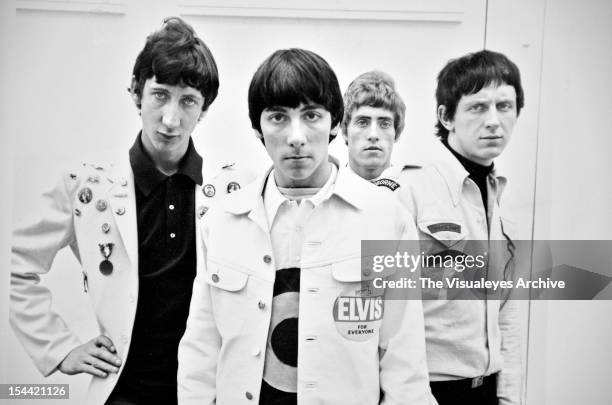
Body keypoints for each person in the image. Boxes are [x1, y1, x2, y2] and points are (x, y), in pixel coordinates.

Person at [10, 17, 253, 405]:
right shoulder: (86, 186)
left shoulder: (232, 190)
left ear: (204, 110)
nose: (171, 119)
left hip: (208, 391)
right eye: (159, 95)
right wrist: (58, 349)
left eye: (188, 100)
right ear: (136, 93)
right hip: (124, 391)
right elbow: (13, 265)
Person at [178, 48, 433, 405]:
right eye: (278, 117)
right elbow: (201, 352)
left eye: (311, 115)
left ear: (334, 122)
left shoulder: (386, 219)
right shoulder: (222, 222)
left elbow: (405, 361)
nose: (296, 136)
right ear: (257, 128)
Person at [401, 49, 524, 405]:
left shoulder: (497, 196)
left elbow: (506, 313)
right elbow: (379, 306)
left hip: (487, 389)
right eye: (477, 107)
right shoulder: (409, 189)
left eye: (504, 106)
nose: (493, 121)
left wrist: (509, 395)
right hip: (428, 392)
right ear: (446, 116)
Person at [341, 70, 419, 191]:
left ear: (396, 132)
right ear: (345, 130)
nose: (373, 135)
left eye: (384, 124)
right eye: (362, 122)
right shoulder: (325, 194)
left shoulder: (416, 193)